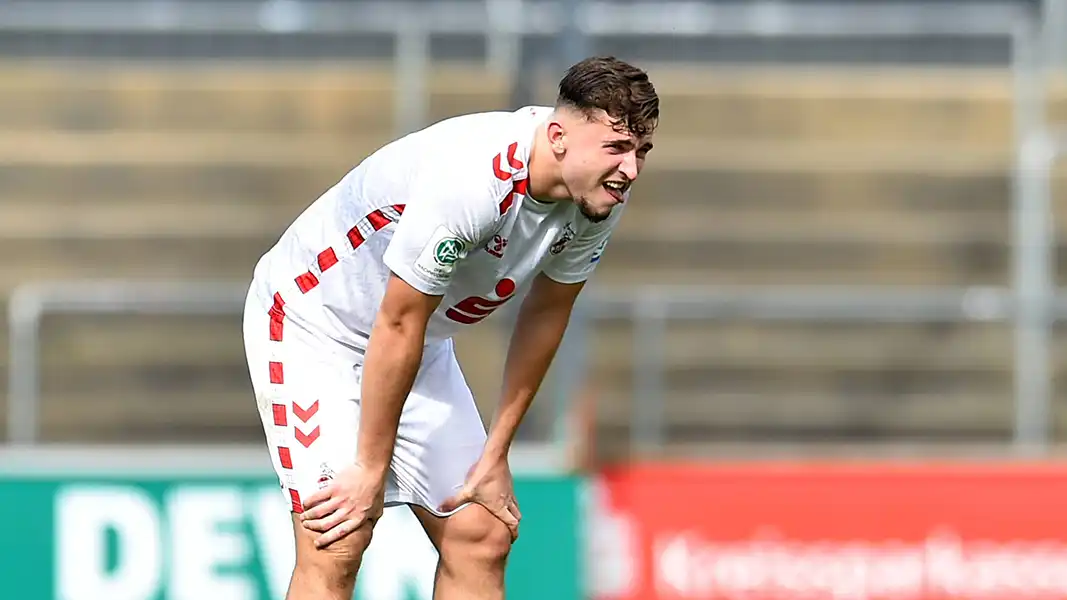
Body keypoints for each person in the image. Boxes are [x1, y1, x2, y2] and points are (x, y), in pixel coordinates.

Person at [241, 55, 658, 600]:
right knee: (338, 538)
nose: (631, 169)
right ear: (557, 136)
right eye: (617, 148)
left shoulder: (598, 197)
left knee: (482, 531)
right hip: (313, 326)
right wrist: (370, 465)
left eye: (641, 152)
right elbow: (398, 319)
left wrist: (496, 453)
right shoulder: (474, 178)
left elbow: (547, 312)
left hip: (416, 342)